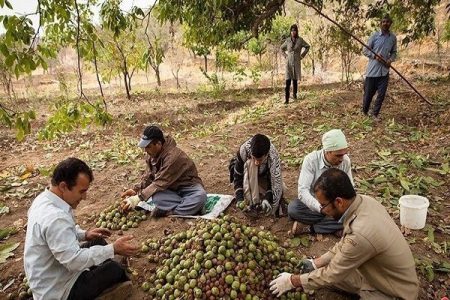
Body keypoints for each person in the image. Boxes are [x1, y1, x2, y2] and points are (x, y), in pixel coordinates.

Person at [270, 168, 419, 299]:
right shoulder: (364, 202)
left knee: (330, 275)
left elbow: (333, 273)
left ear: (339, 202)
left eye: (323, 206)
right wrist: (317, 262)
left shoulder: (361, 233)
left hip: (393, 291)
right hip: (373, 273)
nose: (322, 210)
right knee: (324, 273)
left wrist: (293, 281)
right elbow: (345, 242)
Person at [24, 157, 138, 300]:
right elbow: (74, 262)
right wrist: (112, 249)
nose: (84, 197)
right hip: (60, 290)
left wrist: (84, 234)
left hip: (53, 273)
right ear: (63, 186)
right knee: (114, 270)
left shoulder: (44, 199)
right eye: (81, 191)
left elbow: (57, 234)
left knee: (100, 242)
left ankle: (98, 266)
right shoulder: (55, 218)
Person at [121, 125, 207, 217]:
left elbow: (160, 182)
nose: (145, 150)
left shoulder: (173, 157)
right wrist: (136, 189)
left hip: (188, 187)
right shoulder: (152, 154)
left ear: (158, 143)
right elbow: (149, 176)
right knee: (157, 197)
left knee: (200, 197)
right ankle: (187, 208)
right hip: (170, 188)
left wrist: (138, 198)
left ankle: (173, 212)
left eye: (148, 146)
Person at [288, 129, 353, 236]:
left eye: (344, 154)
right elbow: (303, 191)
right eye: (338, 155)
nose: (342, 159)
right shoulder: (311, 160)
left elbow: (350, 189)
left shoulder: (345, 162)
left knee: (353, 213)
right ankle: (333, 225)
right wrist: (320, 208)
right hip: (316, 204)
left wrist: (339, 207)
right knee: (293, 208)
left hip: (336, 204)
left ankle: (310, 227)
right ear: (327, 151)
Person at [229, 134, 285, 216]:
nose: (256, 162)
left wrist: (268, 199)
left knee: (281, 189)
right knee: (251, 164)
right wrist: (239, 198)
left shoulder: (273, 157)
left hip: (263, 178)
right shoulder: (244, 150)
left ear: (266, 155)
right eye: (254, 158)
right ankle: (253, 203)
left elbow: (275, 182)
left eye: (260, 160)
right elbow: (237, 176)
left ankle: (262, 198)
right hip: (248, 176)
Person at [362, 15, 397, 121]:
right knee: (368, 95)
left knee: (381, 95)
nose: (385, 23)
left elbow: (394, 52)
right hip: (372, 71)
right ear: (380, 23)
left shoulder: (393, 38)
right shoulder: (374, 36)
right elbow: (365, 50)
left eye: (388, 22)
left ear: (390, 23)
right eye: (383, 21)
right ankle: (364, 112)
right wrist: (375, 56)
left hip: (384, 72)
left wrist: (390, 60)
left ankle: (374, 114)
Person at [280, 24, 310, 104]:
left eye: (295, 30)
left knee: (295, 81)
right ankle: (286, 99)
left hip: (296, 62)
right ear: (290, 31)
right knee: (288, 81)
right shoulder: (288, 40)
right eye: (292, 30)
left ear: (297, 31)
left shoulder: (300, 40)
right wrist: (285, 56)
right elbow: (281, 48)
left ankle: (295, 96)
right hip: (288, 63)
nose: (293, 32)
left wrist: (302, 55)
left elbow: (307, 46)